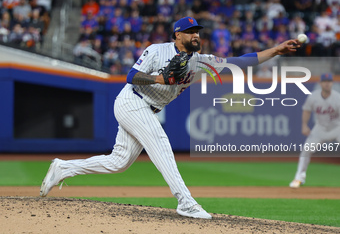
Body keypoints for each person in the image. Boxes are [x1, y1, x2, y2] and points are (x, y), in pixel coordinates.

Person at [40, 16, 301, 219]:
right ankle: (186, 202)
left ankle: (63, 168)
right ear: (178, 35)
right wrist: (159, 78)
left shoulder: (200, 61)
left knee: (118, 162)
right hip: (132, 101)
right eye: (190, 32)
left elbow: (240, 61)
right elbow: (131, 76)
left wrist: (276, 50)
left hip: (148, 108)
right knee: (162, 144)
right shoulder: (157, 50)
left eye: (198, 31)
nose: (196, 35)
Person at [289, 73, 340, 188]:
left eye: (329, 81)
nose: (327, 83)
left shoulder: (337, 98)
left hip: (337, 128)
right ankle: (298, 178)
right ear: (321, 83)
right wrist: (304, 125)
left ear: (332, 83)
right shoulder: (313, 97)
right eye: (325, 81)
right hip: (320, 128)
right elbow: (306, 110)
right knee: (306, 151)